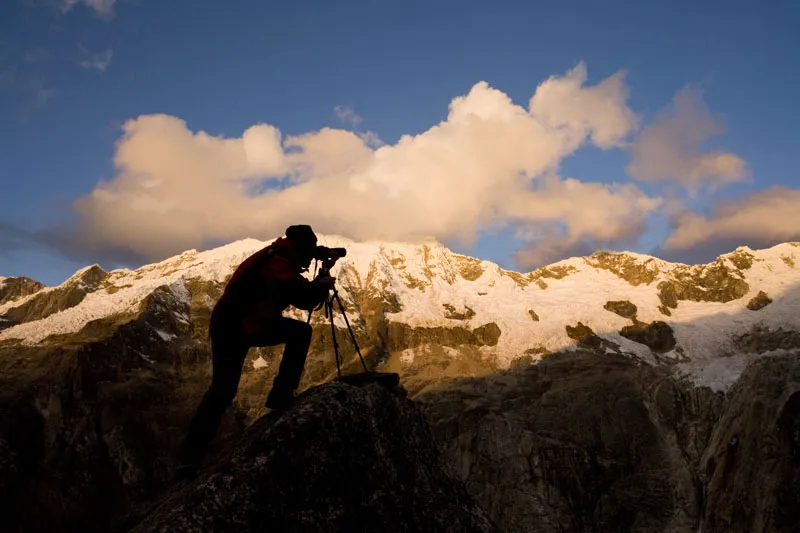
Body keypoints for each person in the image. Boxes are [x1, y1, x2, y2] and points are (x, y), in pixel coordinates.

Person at [176, 224, 335, 479]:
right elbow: (302, 297)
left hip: (245, 323)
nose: (309, 258)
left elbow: (301, 295)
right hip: (235, 327)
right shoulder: (278, 263)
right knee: (222, 391)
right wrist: (321, 283)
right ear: (300, 248)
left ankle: (189, 459)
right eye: (309, 252)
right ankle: (189, 458)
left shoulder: (277, 257)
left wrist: (317, 280)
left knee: (222, 391)